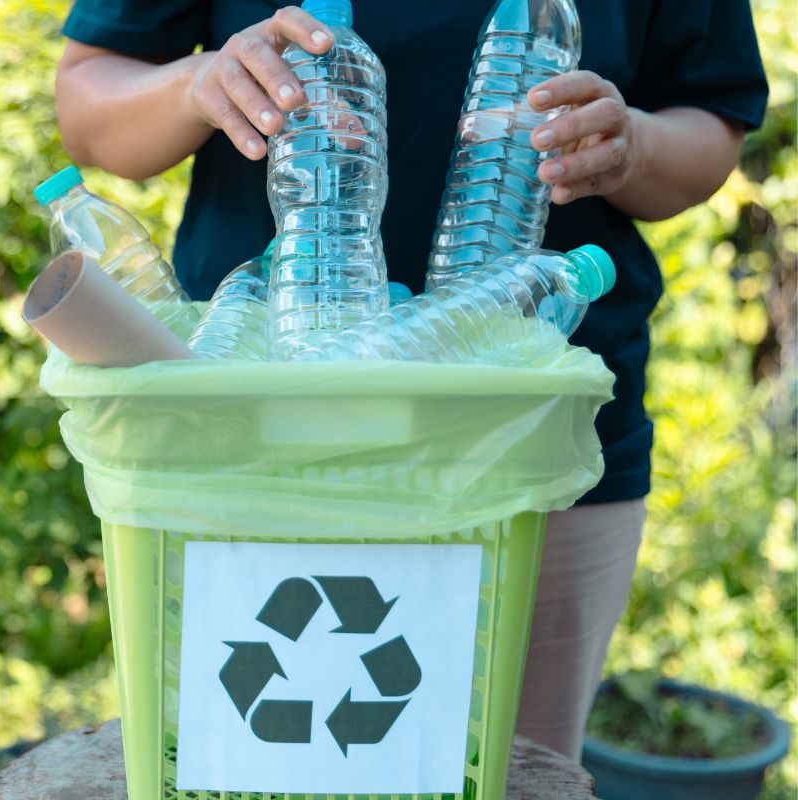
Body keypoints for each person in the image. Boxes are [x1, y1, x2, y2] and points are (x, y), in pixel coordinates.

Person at [52, 0, 769, 761]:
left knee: (507, 767)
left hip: (532, 447)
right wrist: (201, 83)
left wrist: (635, 146)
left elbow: (711, 120)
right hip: (250, 432)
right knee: (239, 763)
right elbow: (89, 100)